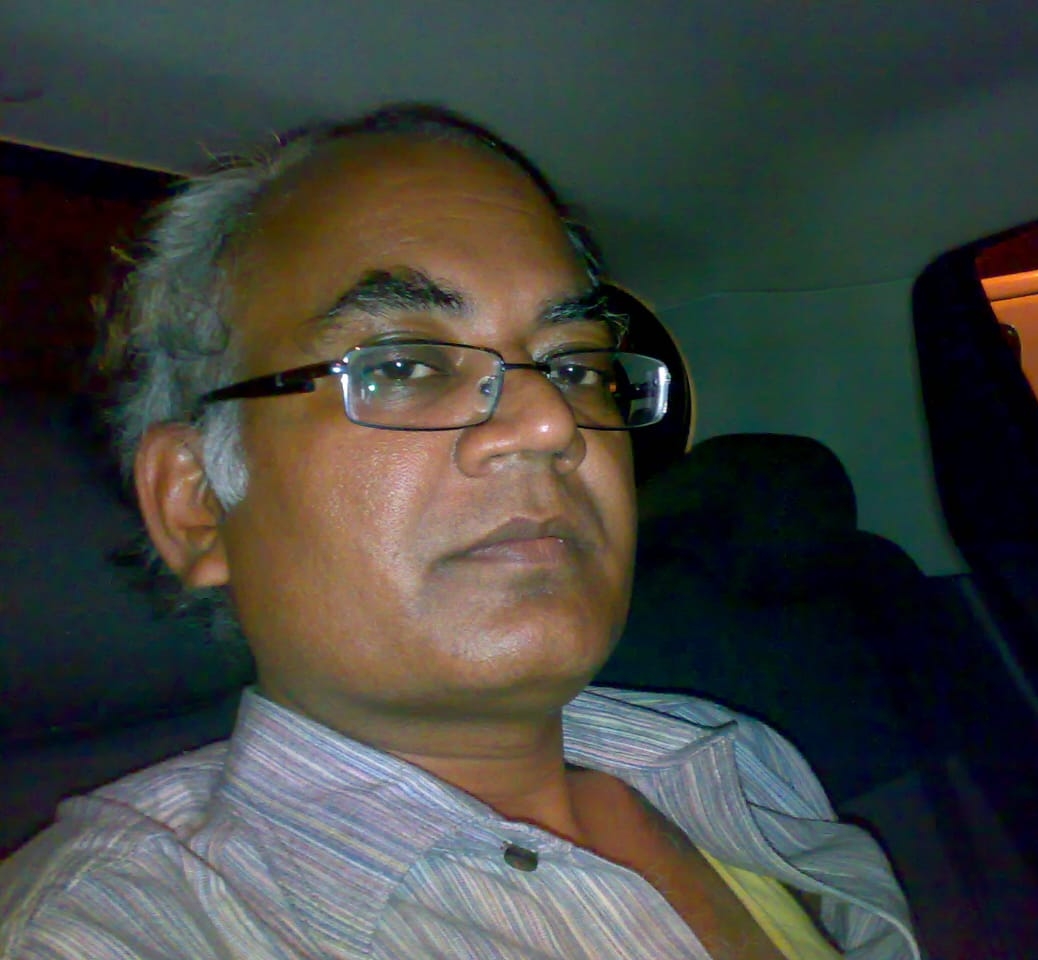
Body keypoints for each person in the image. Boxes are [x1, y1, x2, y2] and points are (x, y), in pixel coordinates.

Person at [0, 104, 919, 959]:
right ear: (198, 502)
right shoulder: (106, 931)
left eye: (576, 366)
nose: (551, 422)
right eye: (403, 365)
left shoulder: (731, 758)